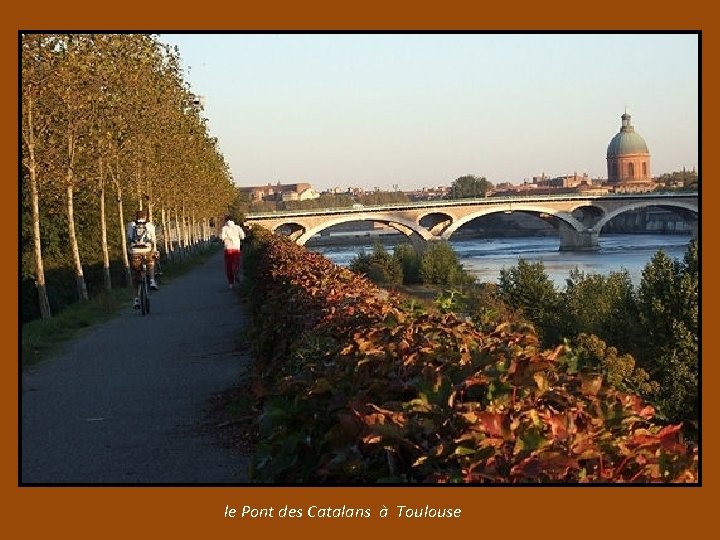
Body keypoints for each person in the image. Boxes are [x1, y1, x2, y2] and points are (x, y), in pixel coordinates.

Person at [127, 210, 159, 308]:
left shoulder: (131, 225)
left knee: (135, 276)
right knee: (151, 263)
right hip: (147, 250)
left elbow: (128, 238)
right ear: (146, 217)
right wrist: (155, 251)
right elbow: (153, 239)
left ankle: (136, 300)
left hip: (135, 252)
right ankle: (152, 281)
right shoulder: (150, 226)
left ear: (136, 217)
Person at [221, 215, 245, 289]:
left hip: (227, 249)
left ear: (226, 221)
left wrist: (225, 240)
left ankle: (231, 284)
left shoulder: (224, 228)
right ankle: (236, 272)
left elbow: (222, 237)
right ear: (233, 221)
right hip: (236, 248)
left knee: (228, 266)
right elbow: (242, 236)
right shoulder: (237, 227)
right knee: (236, 263)